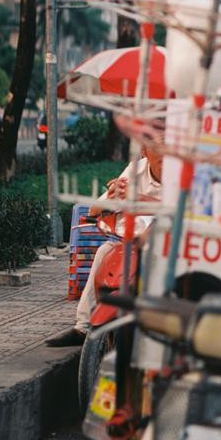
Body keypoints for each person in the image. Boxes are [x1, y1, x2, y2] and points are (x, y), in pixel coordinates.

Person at [45, 148, 162, 347]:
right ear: (145, 152)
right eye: (158, 151)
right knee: (104, 252)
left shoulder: (187, 172)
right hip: (133, 240)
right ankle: (82, 327)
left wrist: (145, 201)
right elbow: (95, 208)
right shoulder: (136, 171)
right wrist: (112, 195)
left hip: (171, 243)